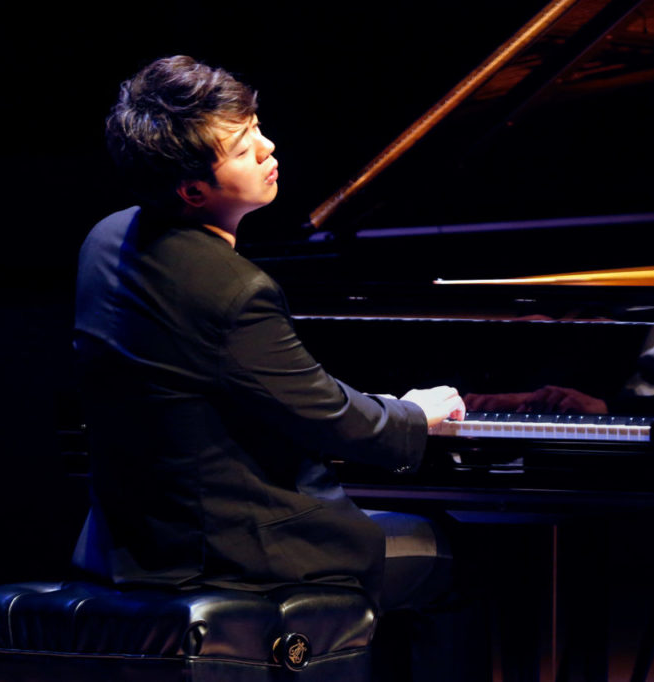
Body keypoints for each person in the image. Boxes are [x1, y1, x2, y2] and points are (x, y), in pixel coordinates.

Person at [71, 55, 466, 624]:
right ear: (192, 190)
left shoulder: (106, 238)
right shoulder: (233, 289)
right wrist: (411, 414)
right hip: (228, 552)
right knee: (453, 552)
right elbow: (329, 416)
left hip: (129, 541)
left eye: (256, 129)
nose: (268, 149)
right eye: (242, 149)